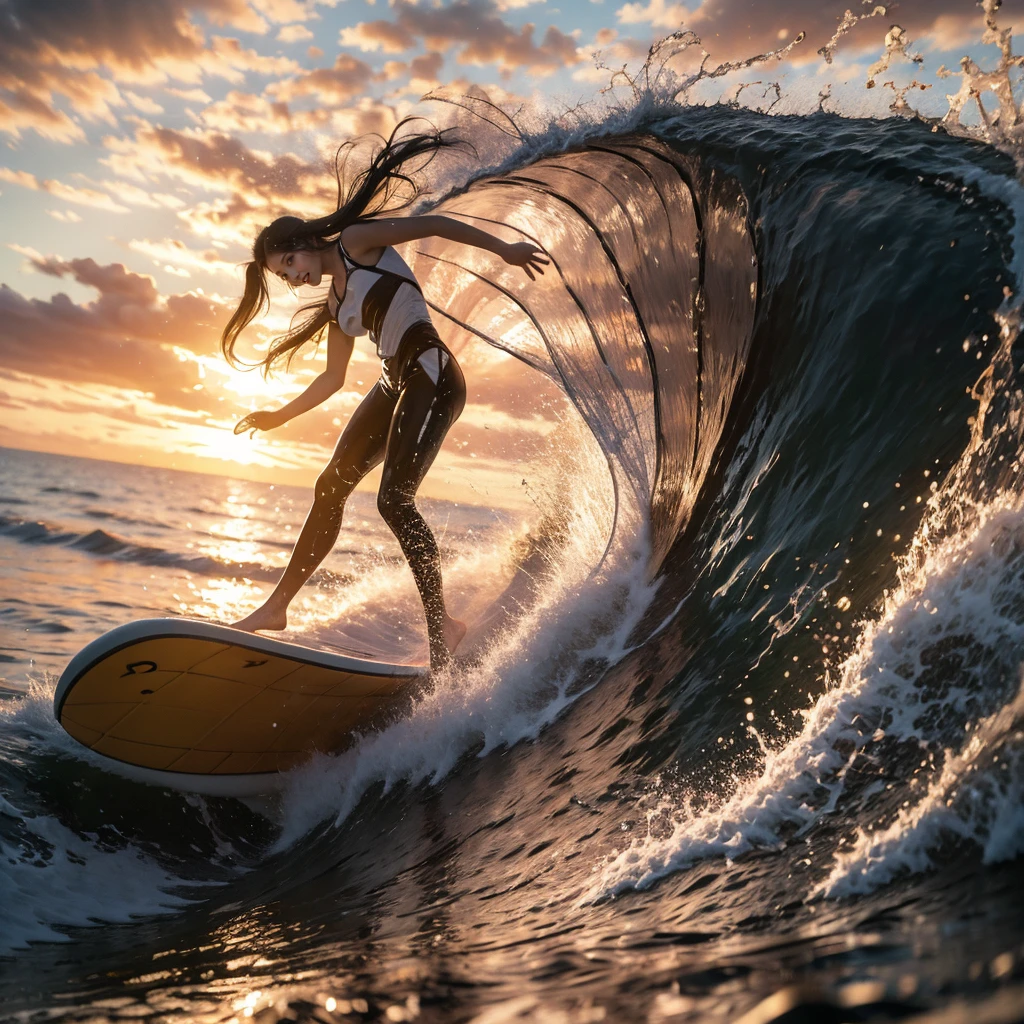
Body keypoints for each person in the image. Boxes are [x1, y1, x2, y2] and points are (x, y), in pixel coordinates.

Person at [220, 120, 548, 671]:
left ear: (302, 243)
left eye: (289, 266)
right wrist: (277, 416)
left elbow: (435, 223)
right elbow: (331, 380)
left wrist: (505, 250)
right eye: (284, 276)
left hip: (432, 372)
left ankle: (444, 625)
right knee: (330, 485)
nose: (294, 279)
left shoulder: (355, 245)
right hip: (393, 382)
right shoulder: (335, 307)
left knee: (393, 500)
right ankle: (277, 606)